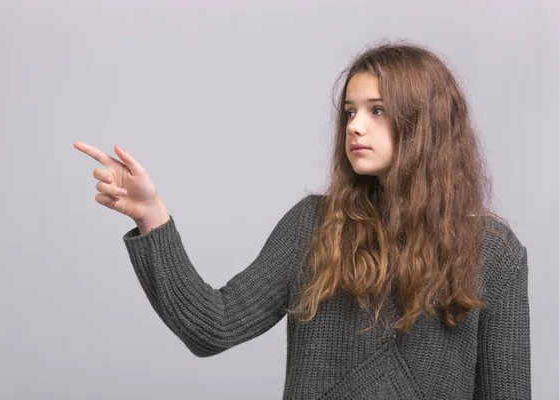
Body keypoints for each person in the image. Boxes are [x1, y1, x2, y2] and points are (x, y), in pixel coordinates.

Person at [73, 39, 531, 399]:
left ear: (424, 122)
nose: (354, 126)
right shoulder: (315, 225)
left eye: (377, 111)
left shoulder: (493, 251)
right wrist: (152, 215)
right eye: (349, 112)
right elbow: (213, 325)